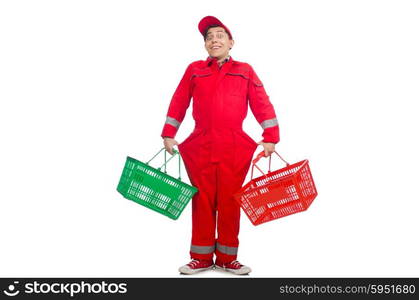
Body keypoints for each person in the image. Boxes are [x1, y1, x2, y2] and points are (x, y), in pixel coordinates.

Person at [161, 16, 279, 275]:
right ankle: (201, 258)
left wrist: (271, 136)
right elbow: (179, 99)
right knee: (202, 201)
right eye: (208, 37)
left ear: (231, 42)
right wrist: (169, 133)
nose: (213, 40)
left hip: (234, 146)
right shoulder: (195, 69)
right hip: (200, 145)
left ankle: (227, 259)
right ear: (205, 46)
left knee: (229, 202)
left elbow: (261, 102)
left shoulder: (245, 70)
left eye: (219, 35)